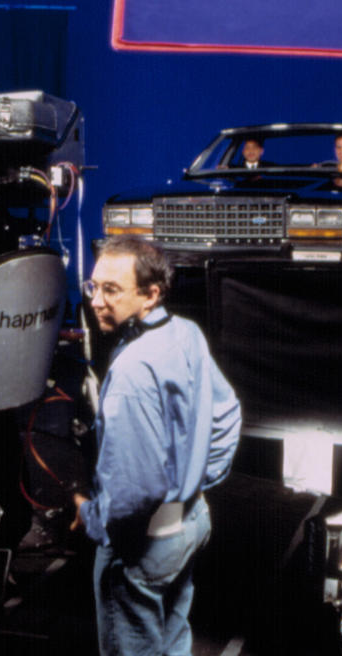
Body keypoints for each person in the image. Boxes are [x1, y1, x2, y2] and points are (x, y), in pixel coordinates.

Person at [71, 236, 242, 656]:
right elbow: (227, 415)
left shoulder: (131, 371)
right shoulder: (186, 333)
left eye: (112, 290)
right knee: (173, 637)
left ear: (151, 295)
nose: (96, 302)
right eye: (94, 287)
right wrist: (194, 486)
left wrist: (91, 515)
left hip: (141, 546)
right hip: (191, 523)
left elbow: (133, 494)